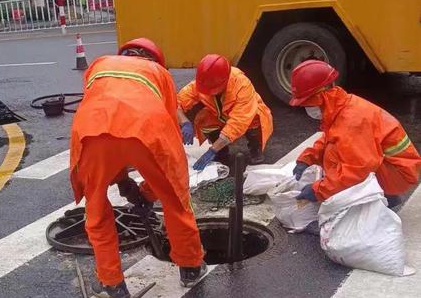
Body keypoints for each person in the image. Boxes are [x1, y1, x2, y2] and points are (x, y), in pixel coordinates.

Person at [70, 37, 206, 298]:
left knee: (97, 210)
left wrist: (122, 179)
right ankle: (190, 267)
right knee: (175, 200)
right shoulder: (160, 73)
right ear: (154, 59)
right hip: (147, 130)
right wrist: (148, 190)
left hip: (92, 132)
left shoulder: (99, 64)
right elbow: (165, 129)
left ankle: (112, 283)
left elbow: (110, 121)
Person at [289, 59, 421, 204]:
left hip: (397, 174)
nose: (306, 108)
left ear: (322, 97)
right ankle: (382, 193)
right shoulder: (341, 106)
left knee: (335, 158)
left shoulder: (352, 121)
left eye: (307, 103)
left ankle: (384, 197)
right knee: (334, 152)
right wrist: (307, 159)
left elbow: (358, 170)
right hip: (390, 167)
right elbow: (329, 139)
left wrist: (319, 190)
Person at [177, 55, 273, 169]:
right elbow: (175, 102)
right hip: (221, 115)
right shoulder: (200, 83)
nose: (209, 93)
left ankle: (255, 147)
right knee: (204, 119)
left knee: (255, 118)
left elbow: (239, 122)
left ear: (225, 81)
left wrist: (212, 150)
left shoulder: (241, 85)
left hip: (247, 116)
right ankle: (222, 153)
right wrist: (184, 122)